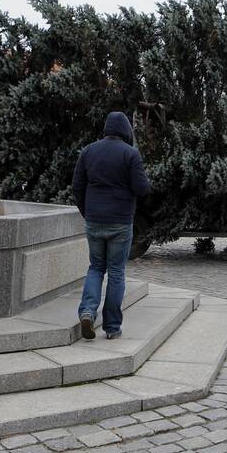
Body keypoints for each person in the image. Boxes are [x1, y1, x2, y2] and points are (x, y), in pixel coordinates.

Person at [71, 111, 151, 341]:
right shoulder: (130, 154)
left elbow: (77, 187)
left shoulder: (89, 151)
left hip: (95, 220)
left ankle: (87, 311)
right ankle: (112, 327)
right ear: (126, 131)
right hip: (120, 221)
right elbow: (142, 189)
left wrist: (88, 213)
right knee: (116, 272)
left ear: (106, 129)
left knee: (95, 268)